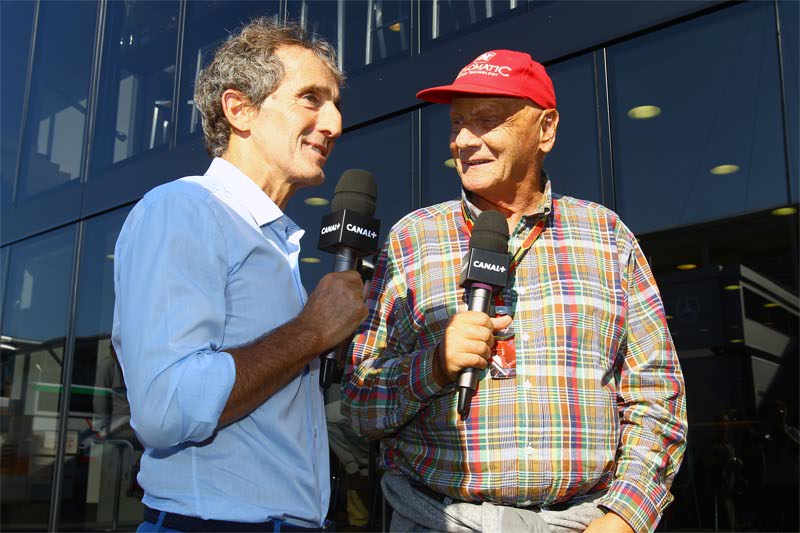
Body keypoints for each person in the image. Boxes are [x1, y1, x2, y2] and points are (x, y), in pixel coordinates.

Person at [341, 50, 687, 533]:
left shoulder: (608, 238)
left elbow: (658, 399)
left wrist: (622, 519)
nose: (463, 140)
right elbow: (360, 404)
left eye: (486, 120)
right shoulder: (412, 239)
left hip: (586, 523)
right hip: (435, 518)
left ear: (545, 129)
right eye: (457, 123)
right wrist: (435, 365)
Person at [112, 18, 367, 532]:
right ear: (240, 109)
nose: (335, 123)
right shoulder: (184, 209)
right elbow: (165, 409)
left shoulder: (276, 243)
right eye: (311, 99)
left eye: (335, 104)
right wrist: (312, 332)